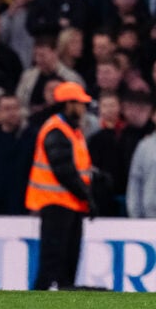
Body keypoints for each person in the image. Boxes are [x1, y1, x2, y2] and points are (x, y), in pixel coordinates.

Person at [25, 82, 98, 291]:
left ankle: (58, 300)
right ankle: (38, 303)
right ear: (69, 104)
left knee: (66, 264)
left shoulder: (69, 131)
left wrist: (95, 178)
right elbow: (64, 170)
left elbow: (74, 167)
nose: (83, 108)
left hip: (69, 204)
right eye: (80, 104)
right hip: (57, 204)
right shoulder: (57, 130)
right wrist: (87, 196)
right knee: (52, 262)